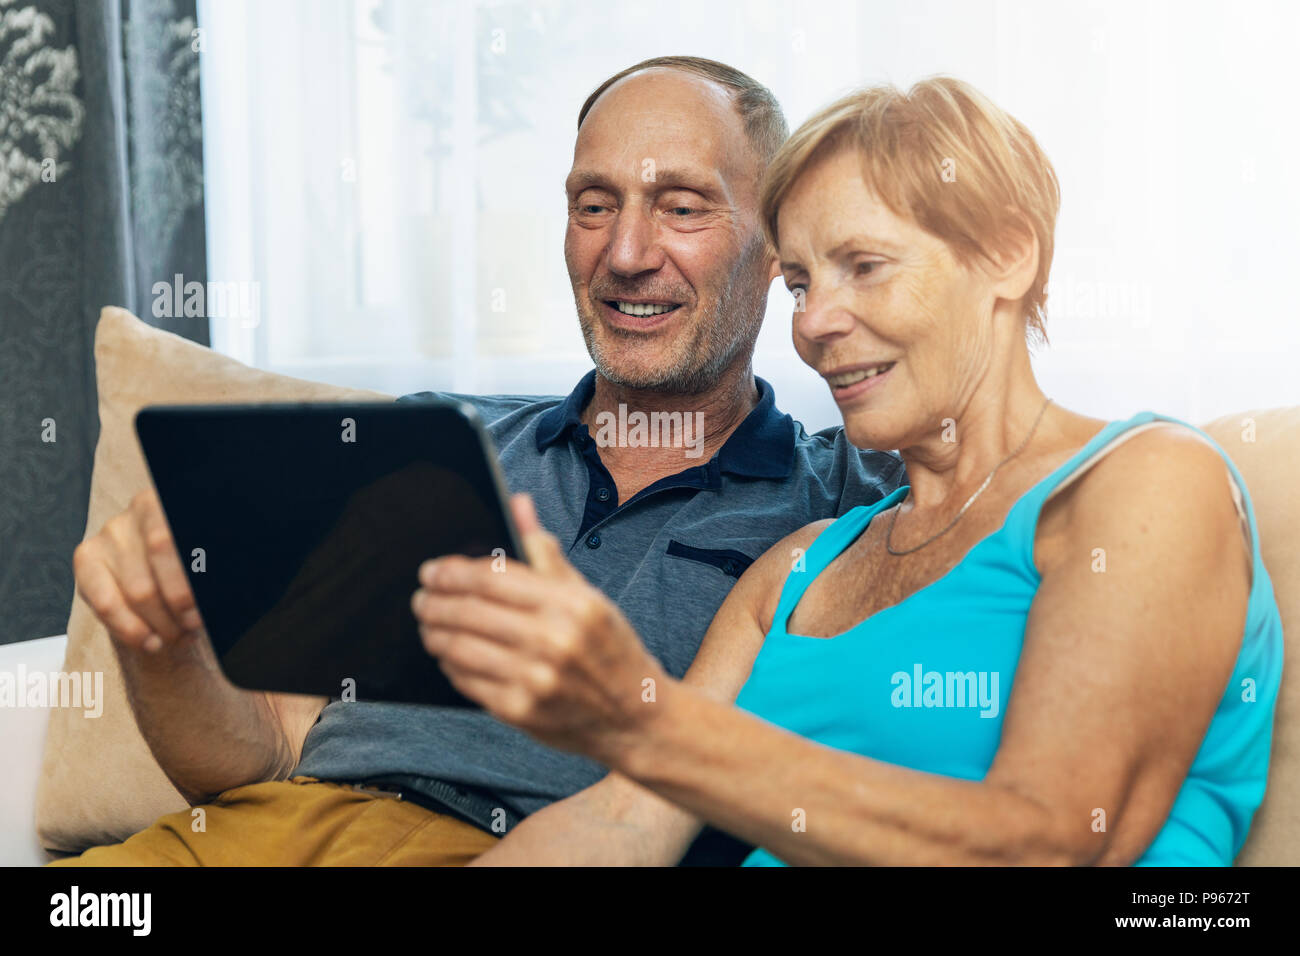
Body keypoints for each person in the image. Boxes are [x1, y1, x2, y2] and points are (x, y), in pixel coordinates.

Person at [54, 57, 903, 866]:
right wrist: (162, 649)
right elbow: (260, 752)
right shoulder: (433, 439)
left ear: (778, 250)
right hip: (259, 834)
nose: (628, 253)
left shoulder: (839, 501)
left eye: (682, 208)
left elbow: (1012, 473)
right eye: (594, 205)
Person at [416, 76, 1285, 866]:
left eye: (863, 267)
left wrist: (640, 716)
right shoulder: (800, 568)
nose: (814, 324)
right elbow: (622, 826)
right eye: (798, 283)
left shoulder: (1147, 481)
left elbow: (1047, 844)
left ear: (1008, 257)